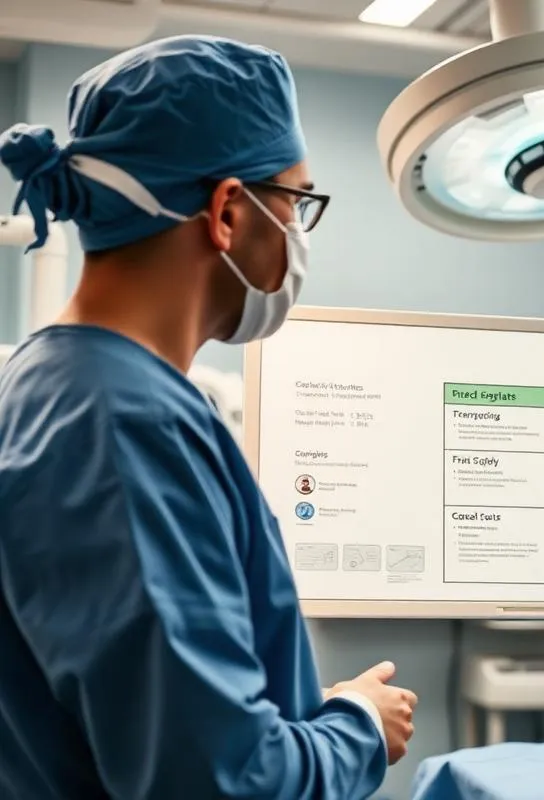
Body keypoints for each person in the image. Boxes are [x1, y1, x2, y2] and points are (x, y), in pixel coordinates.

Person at [0, 35, 415, 798]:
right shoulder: (122, 424)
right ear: (228, 211)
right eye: (296, 203)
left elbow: (157, 717)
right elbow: (218, 784)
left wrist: (297, 719)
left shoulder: (56, 385)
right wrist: (358, 724)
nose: (296, 234)